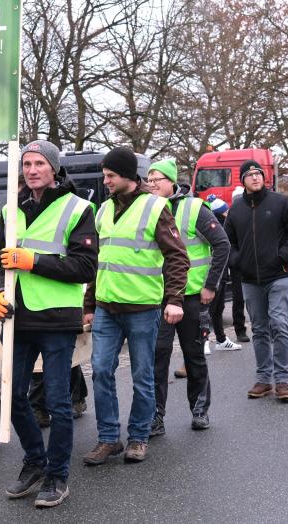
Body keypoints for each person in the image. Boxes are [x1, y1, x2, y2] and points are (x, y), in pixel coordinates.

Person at [0, 139, 98, 508]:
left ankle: (57, 476)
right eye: (27, 164)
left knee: (57, 401)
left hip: (56, 319)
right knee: (13, 396)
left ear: (54, 168)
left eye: (39, 164)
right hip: (17, 318)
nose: (32, 170)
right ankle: (35, 461)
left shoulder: (78, 208)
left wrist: (32, 261)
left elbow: (85, 267)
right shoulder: (10, 209)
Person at [82, 147, 189, 465]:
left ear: (128, 176)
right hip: (106, 308)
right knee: (101, 371)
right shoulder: (102, 210)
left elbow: (177, 257)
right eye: (104, 175)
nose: (106, 181)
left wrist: (174, 300)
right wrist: (89, 304)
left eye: (110, 175)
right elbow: (97, 261)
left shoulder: (156, 207)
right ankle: (108, 438)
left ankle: (139, 437)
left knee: (143, 375)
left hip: (143, 309)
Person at [145, 159, 229, 435]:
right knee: (157, 358)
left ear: (171, 182)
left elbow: (222, 244)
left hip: (192, 297)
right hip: (158, 297)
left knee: (194, 356)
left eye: (157, 179)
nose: (152, 184)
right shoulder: (146, 209)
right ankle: (156, 417)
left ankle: (200, 410)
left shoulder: (194, 208)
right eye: (149, 179)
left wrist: (211, 285)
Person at [224, 160, 288, 401]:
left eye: (258, 173)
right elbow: (227, 242)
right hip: (250, 279)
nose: (255, 177)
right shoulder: (236, 209)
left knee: (279, 324)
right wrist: (238, 261)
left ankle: (282, 380)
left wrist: (281, 256)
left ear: (263, 177)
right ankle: (263, 379)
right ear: (243, 180)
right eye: (249, 175)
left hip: (279, 274)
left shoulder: (281, 202)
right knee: (259, 328)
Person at [206, 194, 246, 350]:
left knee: (219, 309)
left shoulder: (225, 226)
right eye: (225, 211)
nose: (227, 213)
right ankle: (204, 341)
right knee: (209, 310)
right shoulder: (214, 228)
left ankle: (221, 339)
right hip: (214, 273)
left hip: (223, 273)